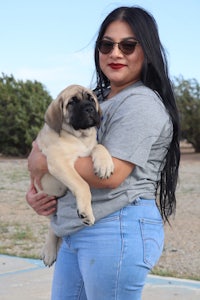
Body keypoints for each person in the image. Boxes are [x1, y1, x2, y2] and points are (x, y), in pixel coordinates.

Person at [26, 6, 180, 300]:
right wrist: (37, 189)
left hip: (116, 228)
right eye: (107, 45)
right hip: (75, 230)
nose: (115, 53)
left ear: (146, 50)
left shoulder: (141, 103)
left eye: (128, 45)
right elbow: (49, 144)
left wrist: (43, 160)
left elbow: (111, 176)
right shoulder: (96, 98)